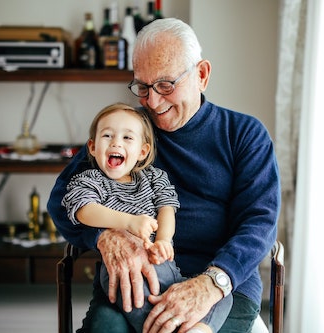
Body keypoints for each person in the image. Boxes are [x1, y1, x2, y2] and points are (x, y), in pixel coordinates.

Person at [48, 17, 281, 333]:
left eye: (165, 85)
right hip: (137, 277)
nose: (152, 102)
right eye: (142, 86)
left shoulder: (244, 134)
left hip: (221, 284)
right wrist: (104, 235)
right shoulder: (128, 132)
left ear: (201, 75)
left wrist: (210, 284)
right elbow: (63, 199)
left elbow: (260, 222)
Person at [61, 103, 232, 333]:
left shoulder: (154, 177)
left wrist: (163, 240)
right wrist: (128, 222)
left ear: (143, 151)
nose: (116, 143)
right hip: (123, 269)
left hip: (165, 266)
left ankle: (199, 329)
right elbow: (84, 210)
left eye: (127, 137)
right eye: (107, 135)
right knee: (133, 294)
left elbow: (167, 209)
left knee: (222, 296)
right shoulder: (91, 180)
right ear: (92, 147)